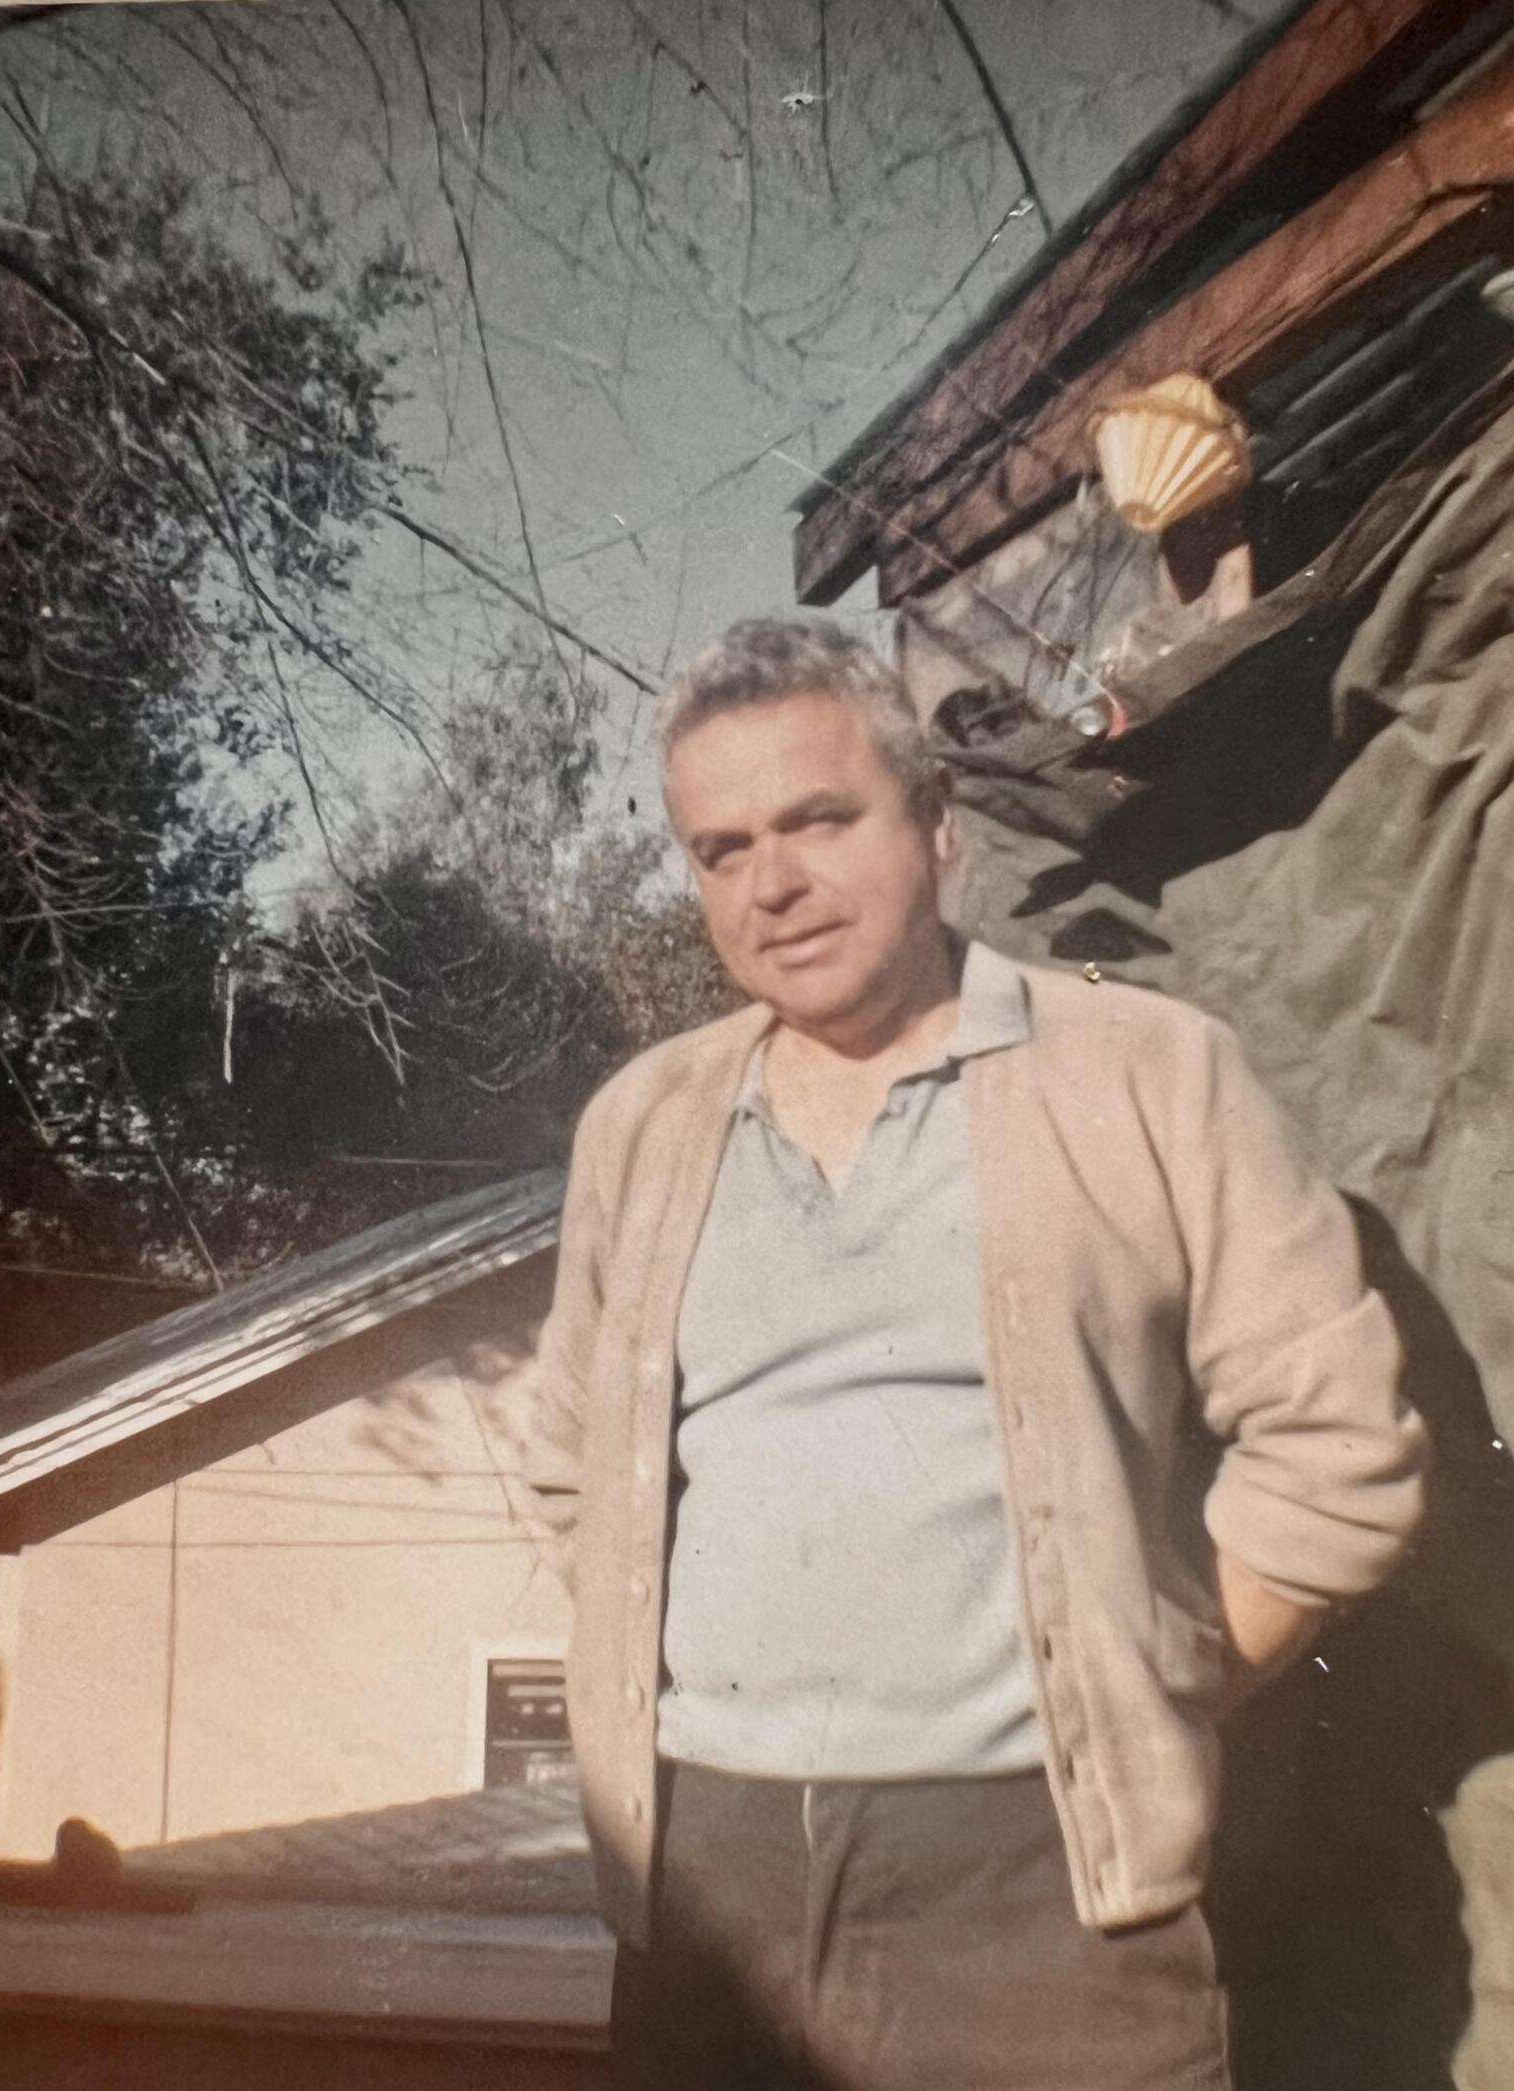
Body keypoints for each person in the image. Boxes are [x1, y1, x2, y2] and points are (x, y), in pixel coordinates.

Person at [528, 618, 1427, 2089]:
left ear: (937, 829)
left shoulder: (1147, 1072)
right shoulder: (642, 1126)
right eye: (722, 846)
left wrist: (1157, 1668)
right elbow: (571, 1467)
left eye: (821, 819)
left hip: (1038, 1879)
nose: (775, 883)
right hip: (710, 1882)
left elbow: (1340, 1452)